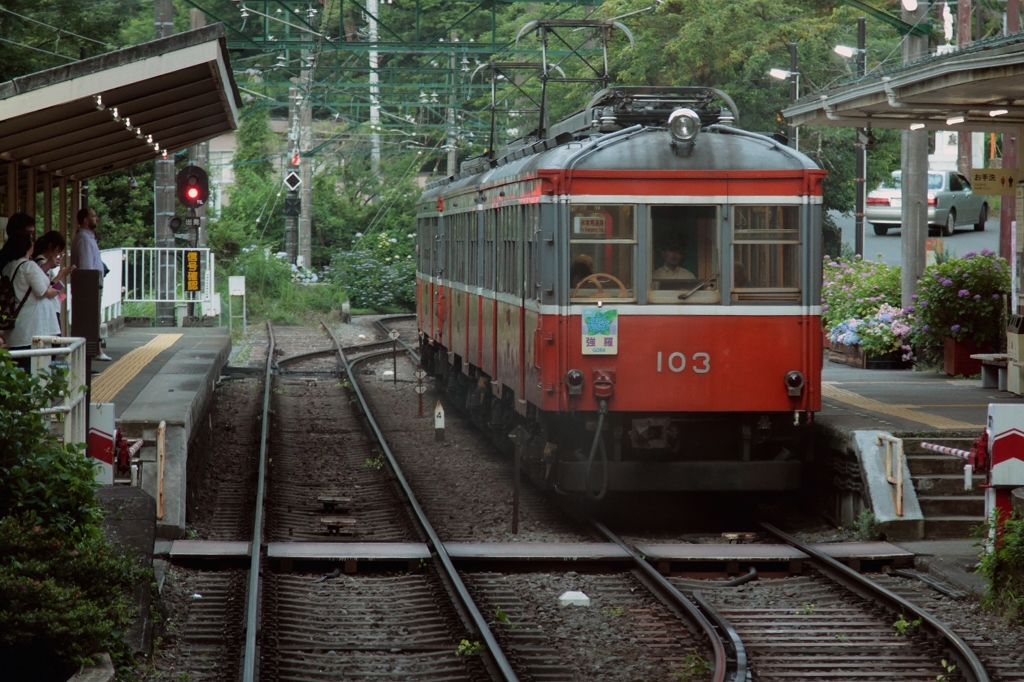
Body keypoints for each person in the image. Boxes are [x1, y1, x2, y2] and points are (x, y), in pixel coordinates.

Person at [1, 231, 60, 371]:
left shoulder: (8, 267)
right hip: (32, 327)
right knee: (33, 369)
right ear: (29, 247)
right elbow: (42, 291)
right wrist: (52, 291)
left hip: (16, 325)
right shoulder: (29, 266)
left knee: (18, 368)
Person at [70, 206, 111, 360]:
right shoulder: (84, 239)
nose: (97, 218)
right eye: (94, 216)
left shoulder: (88, 237)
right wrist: (91, 285)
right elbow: (86, 266)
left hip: (92, 286)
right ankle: (90, 354)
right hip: (89, 288)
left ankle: (96, 350)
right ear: (86, 220)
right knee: (89, 321)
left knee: (92, 320)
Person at [33, 231, 73, 335]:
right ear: (50, 246)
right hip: (49, 308)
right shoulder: (42, 263)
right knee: (55, 341)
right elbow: (46, 286)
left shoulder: (42, 262)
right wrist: (60, 275)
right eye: (58, 251)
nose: (58, 255)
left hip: (51, 307)